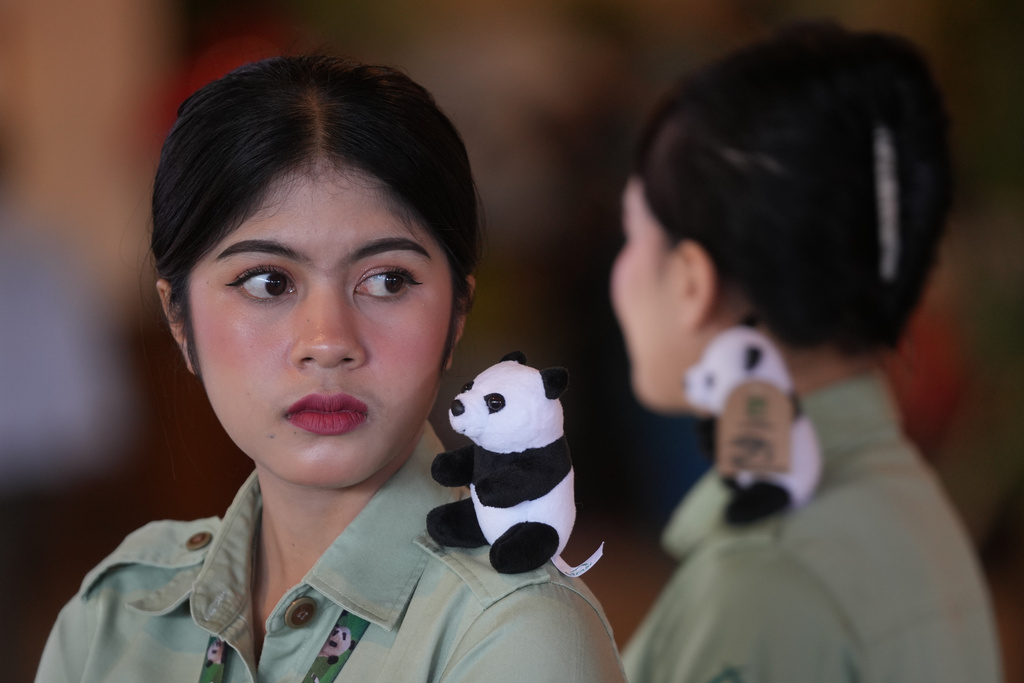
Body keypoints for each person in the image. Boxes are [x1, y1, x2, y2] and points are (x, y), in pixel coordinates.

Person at [36, 55, 626, 683]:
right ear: (179, 320)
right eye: (267, 281)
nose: (327, 342)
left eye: (387, 279)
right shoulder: (113, 617)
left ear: (456, 317)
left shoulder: (516, 638)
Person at [609, 22, 1002, 683]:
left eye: (631, 235)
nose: (618, 273)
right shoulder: (902, 497)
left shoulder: (762, 578)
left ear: (691, 282)